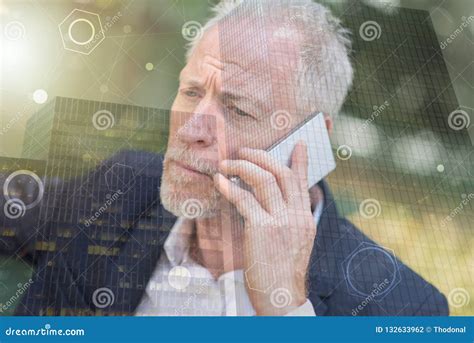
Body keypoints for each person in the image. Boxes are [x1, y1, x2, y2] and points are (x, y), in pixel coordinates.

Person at [15, 0, 448, 316]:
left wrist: (286, 310)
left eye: (238, 110)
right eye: (190, 92)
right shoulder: (121, 186)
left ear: (312, 140)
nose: (192, 129)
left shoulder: (400, 307)